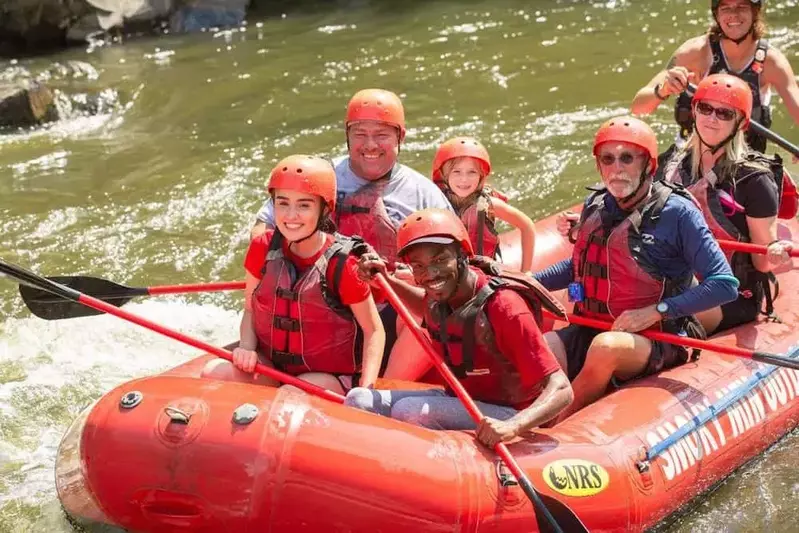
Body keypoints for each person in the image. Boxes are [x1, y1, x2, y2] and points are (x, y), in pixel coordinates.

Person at [534, 116, 739, 420]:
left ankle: (558, 422)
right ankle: (536, 415)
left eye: (627, 158)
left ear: (649, 165)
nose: (617, 168)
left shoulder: (678, 212)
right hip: (594, 325)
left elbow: (725, 284)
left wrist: (657, 311)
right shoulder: (596, 204)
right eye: (608, 158)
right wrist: (528, 281)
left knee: (606, 348)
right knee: (543, 346)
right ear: (599, 166)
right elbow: (577, 265)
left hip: (660, 335)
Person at [251, 89, 452, 365]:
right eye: (360, 134)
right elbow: (263, 230)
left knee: (436, 312)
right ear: (347, 136)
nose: (370, 144)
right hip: (315, 306)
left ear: (400, 138)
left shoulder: (423, 195)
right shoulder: (316, 175)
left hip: (384, 307)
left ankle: (382, 392)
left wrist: (409, 276)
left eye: (381, 134)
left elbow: (451, 266)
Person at [345, 208, 573, 446]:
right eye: (418, 266)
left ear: (462, 254)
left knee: (409, 411)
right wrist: (386, 280)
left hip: (509, 415)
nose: (430, 273)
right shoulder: (442, 294)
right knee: (358, 399)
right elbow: (427, 307)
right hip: (462, 400)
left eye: (440, 260)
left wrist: (512, 426)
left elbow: (562, 389)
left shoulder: (505, 306)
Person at [203, 155, 385, 394]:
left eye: (304, 205)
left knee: (290, 395)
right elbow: (250, 308)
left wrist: (365, 391)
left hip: (328, 377)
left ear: (324, 209)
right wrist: (246, 347)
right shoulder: (263, 246)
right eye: (283, 203)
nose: (290, 215)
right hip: (274, 368)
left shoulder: (344, 263)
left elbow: (374, 331)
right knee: (212, 372)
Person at [662, 73, 793, 333]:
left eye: (724, 113)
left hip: (730, 294)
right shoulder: (672, 163)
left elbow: (761, 263)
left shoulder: (755, 180)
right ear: (694, 111)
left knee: (654, 318)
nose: (711, 118)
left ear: (741, 123)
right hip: (676, 279)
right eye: (706, 108)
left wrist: (774, 251)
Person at [631, 0, 799, 156]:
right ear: (716, 15)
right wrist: (664, 89)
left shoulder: (772, 62)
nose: (733, 14)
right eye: (726, 8)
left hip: (744, 160)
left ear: (755, 12)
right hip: (692, 155)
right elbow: (639, 107)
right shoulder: (695, 52)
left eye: (742, 7)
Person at [431, 137, 537, 272]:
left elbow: (526, 225)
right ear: (444, 175)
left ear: (481, 176)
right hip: (449, 275)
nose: (464, 179)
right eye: (456, 172)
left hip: (484, 274)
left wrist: (526, 271)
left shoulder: (489, 204)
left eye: (472, 172)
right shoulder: (435, 203)